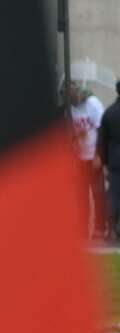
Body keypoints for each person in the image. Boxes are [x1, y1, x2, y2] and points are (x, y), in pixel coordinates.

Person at [69, 82, 107, 239]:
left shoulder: (92, 103)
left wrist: (99, 155)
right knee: (81, 196)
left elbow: (103, 129)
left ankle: (100, 228)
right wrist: (76, 138)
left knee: (98, 194)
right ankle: (83, 230)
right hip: (79, 158)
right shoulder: (69, 108)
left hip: (93, 156)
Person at [99, 80, 120, 240]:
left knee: (114, 195)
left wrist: (105, 163)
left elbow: (102, 142)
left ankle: (112, 231)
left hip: (114, 161)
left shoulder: (109, 113)